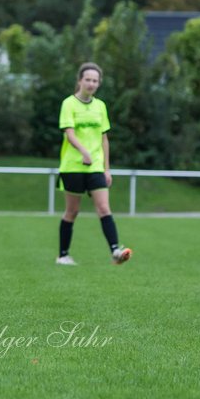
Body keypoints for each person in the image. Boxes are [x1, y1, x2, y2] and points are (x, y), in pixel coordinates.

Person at [55, 62, 133, 266]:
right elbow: (69, 133)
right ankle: (63, 255)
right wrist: (83, 152)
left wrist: (107, 168)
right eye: (88, 79)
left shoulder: (100, 106)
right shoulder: (69, 104)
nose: (91, 83)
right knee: (72, 211)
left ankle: (116, 250)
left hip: (96, 166)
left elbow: (104, 138)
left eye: (95, 80)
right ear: (80, 81)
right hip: (73, 166)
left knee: (104, 208)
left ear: (99, 84)